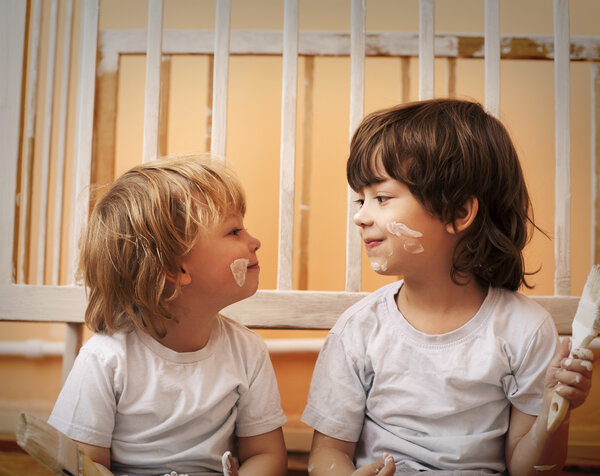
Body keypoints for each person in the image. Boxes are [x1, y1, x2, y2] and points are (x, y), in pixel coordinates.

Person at [301, 99, 595, 475]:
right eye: (361, 199)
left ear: (459, 213)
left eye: (382, 198)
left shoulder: (525, 330)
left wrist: (557, 410)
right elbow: (327, 455)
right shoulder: (358, 329)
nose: (360, 216)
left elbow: (534, 470)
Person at [49, 155, 287, 476]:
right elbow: (82, 463)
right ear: (175, 269)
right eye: (234, 231)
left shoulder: (247, 351)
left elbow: (266, 454)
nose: (254, 241)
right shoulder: (106, 358)